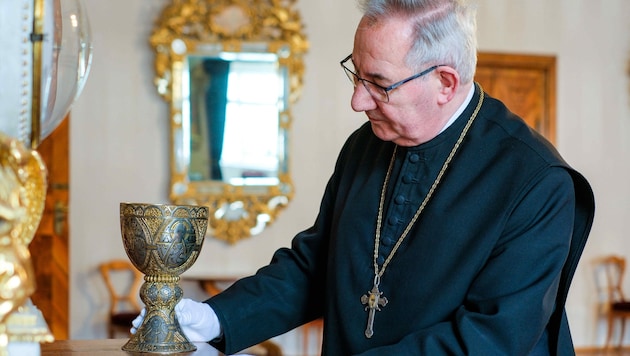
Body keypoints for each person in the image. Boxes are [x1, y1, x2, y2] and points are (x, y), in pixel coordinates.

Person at [132, 0, 595, 354]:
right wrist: (214, 318)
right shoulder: (365, 145)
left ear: (445, 83)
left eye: (378, 82)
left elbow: (490, 339)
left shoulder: (537, 181)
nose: (357, 100)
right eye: (355, 74)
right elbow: (316, 266)